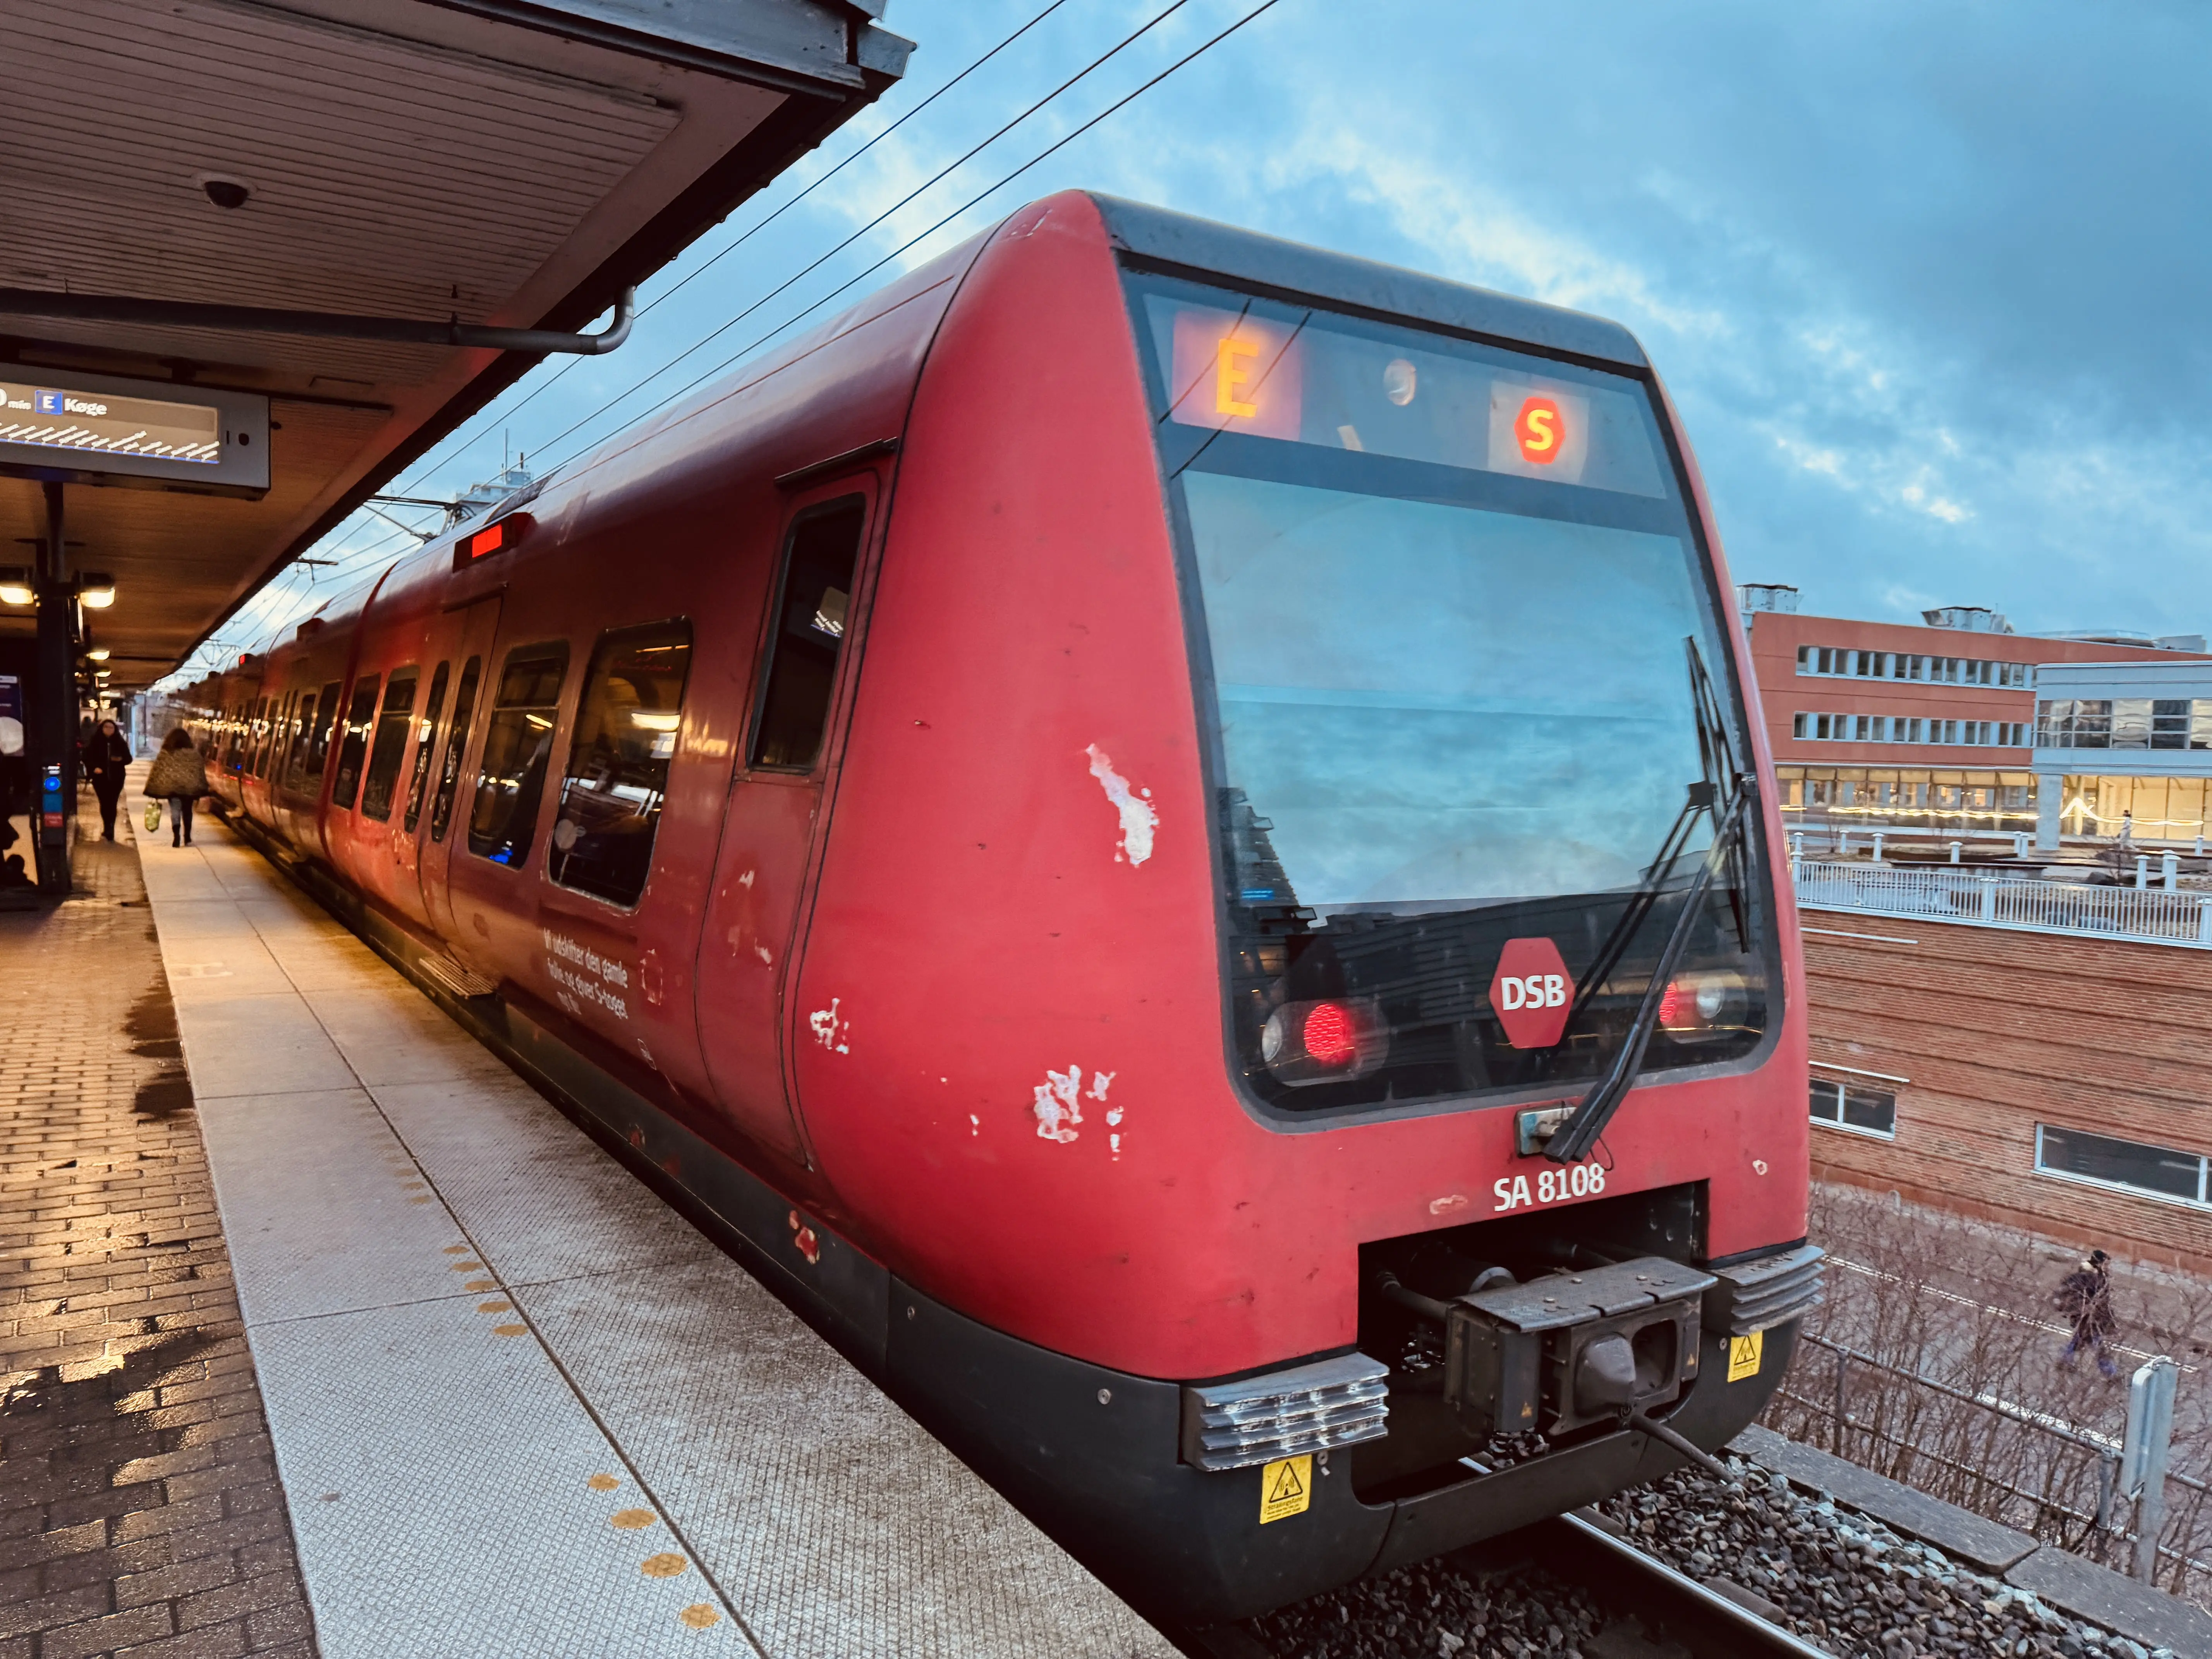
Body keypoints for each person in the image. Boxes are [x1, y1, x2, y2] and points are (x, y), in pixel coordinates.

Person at [2054, 1248, 2120, 1379]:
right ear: (2100, 1263)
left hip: (2085, 1317)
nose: (2108, 1267)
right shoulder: (2092, 1278)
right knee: (2098, 1345)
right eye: (2106, 1264)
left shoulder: (2091, 1275)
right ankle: (2110, 1373)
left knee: (2079, 1339)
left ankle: (2065, 1361)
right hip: (2090, 1318)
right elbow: (2100, 1301)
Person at [143, 727, 210, 848]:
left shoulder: (166, 753)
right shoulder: (193, 754)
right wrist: (200, 785)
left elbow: (158, 770)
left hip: (172, 788)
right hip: (189, 789)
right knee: (188, 811)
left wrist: (154, 787)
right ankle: (187, 838)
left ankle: (176, 837)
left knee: (175, 811)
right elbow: (199, 770)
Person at [82, 718, 132, 841]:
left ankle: (111, 829)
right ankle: (107, 826)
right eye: (107, 727)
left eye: (112, 728)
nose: (109, 730)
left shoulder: (120, 742)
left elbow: (129, 759)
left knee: (113, 802)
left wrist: (120, 760)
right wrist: (94, 768)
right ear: (102, 729)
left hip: (117, 778)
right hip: (100, 778)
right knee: (104, 803)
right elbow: (87, 757)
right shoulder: (95, 742)